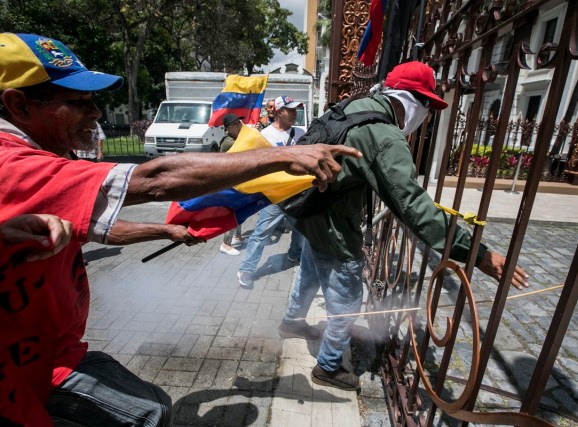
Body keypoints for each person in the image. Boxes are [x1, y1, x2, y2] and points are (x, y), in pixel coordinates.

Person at [0, 32, 360, 426]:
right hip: (23, 372)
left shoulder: (36, 158)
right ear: (18, 104)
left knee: (154, 403)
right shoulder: (14, 165)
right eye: (78, 102)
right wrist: (277, 159)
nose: (97, 113)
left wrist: (164, 232)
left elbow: (95, 229)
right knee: (149, 413)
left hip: (54, 352)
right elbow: (157, 177)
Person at [277, 61, 530, 391]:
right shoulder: (385, 134)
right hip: (333, 224)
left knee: (309, 273)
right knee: (348, 298)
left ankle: (290, 323)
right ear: (414, 100)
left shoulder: (354, 105)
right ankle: (328, 366)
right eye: (427, 105)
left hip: (309, 209)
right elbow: (414, 206)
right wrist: (476, 254)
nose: (426, 114)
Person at [236, 96, 307, 290]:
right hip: (274, 196)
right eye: (290, 110)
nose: (294, 113)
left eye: (296, 110)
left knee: (301, 229)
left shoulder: (302, 132)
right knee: (261, 233)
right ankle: (247, 270)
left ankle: (294, 254)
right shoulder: (265, 135)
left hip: (298, 193)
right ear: (278, 111)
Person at [219, 113, 245, 255]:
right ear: (229, 128)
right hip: (229, 184)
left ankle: (237, 236)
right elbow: (248, 148)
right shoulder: (229, 142)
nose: (240, 125)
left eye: (240, 122)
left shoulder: (235, 138)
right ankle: (225, 244)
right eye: (236, 124)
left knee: (241, 209)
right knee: (233, 212)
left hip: (236, 182)